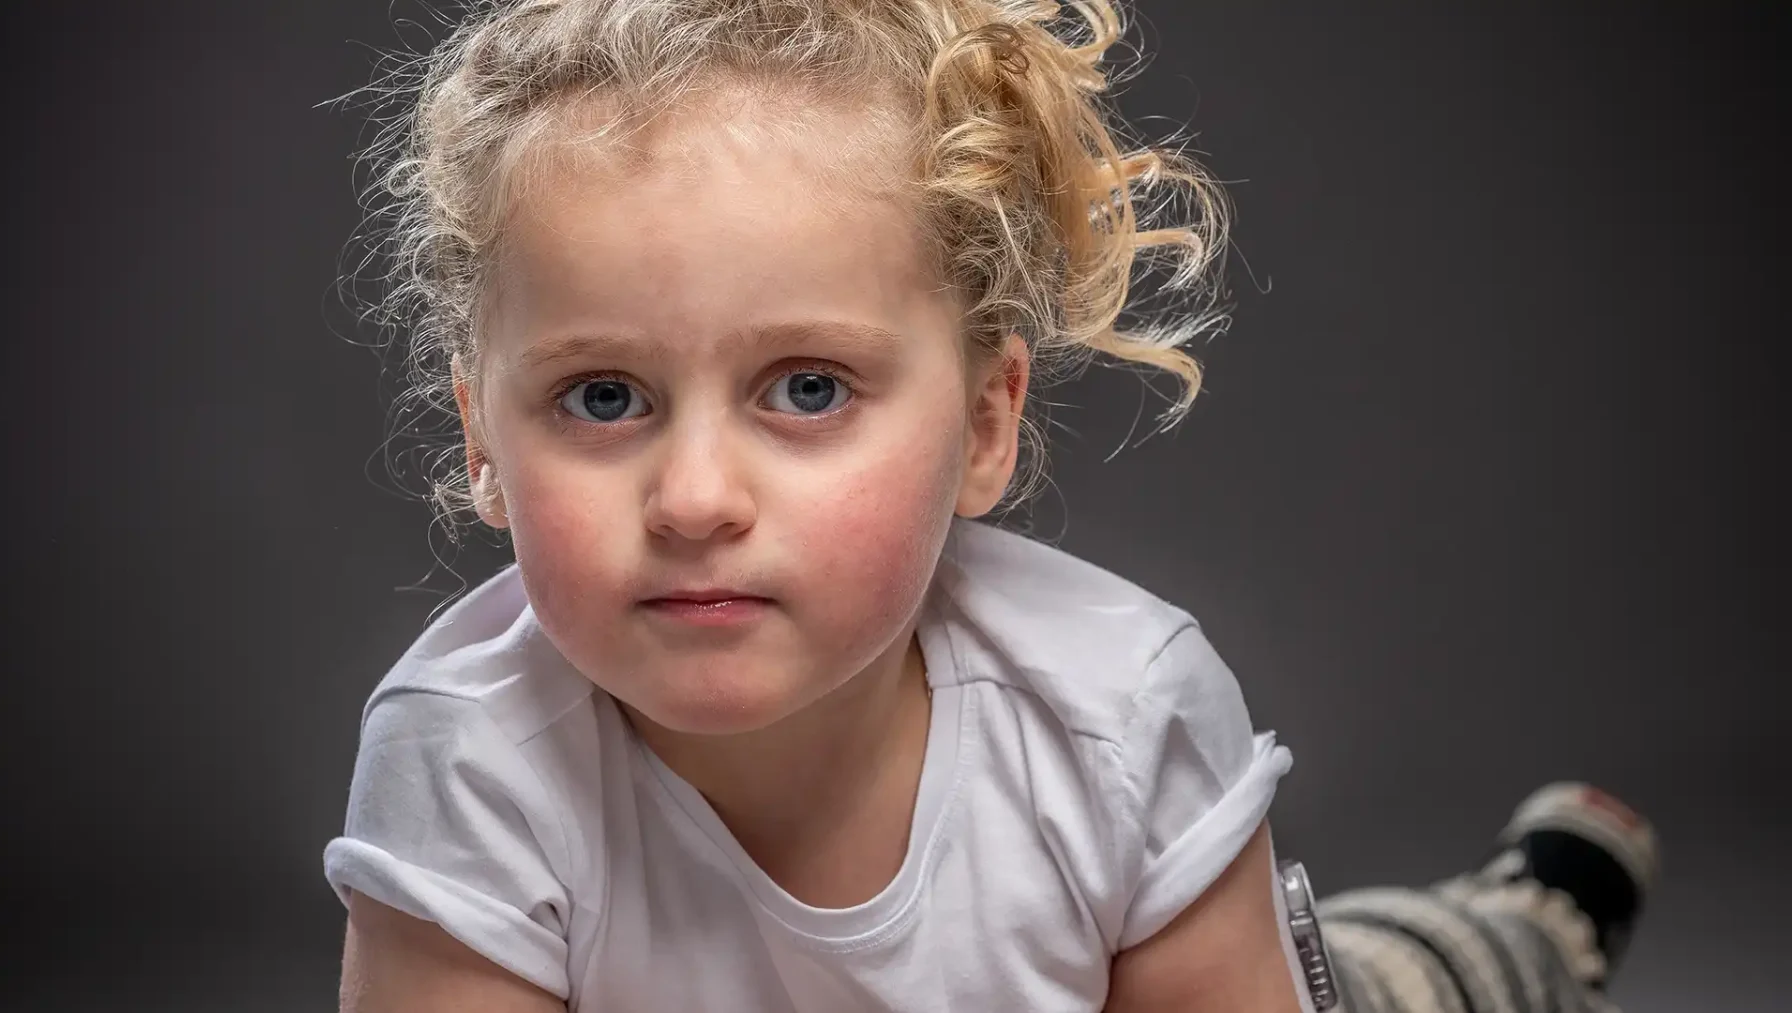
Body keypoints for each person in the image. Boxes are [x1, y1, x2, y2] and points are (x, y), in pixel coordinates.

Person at [323, 2, 1656, 1010]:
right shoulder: (471, 762)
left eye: (806, 387)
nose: (695, 499)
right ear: (482, 439)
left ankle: (1544, 907)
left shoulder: (1116, 711)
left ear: (984, 423)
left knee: (1415, 978)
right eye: (603, 399)